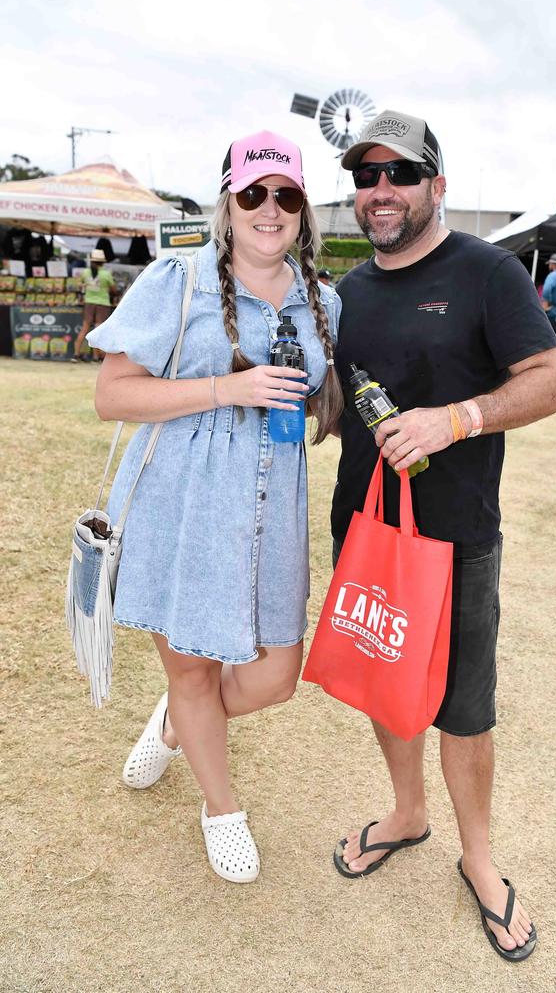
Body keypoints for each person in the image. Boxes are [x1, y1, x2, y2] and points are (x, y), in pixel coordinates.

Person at [329, 110, 556, 961]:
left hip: (457, 535)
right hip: (363, 527)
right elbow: (341, 403)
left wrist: (458, 419)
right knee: (384, 682)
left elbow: (552, 381)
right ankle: (407, 813)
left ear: (438, 186)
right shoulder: (348, 292)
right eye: (368, 177)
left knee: (465, 706)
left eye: (401, 174)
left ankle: (480, 859)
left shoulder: (488, 273)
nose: (382, 191)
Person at [86, 130, 343, 883]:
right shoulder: (178, 281)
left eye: (286, 196)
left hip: (272, 513)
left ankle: (173, 724)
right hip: (184, 507)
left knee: (273, 677)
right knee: (194, 669)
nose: (270, 209)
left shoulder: (322, 301)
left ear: (303, 211)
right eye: (254, 193)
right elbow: (112, 395)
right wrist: (226, 389)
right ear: (229, 202)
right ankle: (221, 807)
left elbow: (321, 398)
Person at [72, 249, 115, 362]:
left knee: (85, 328)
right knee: (98, 330)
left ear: (92, 261)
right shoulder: (106, 274)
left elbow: (79, 284)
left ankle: (76, 354)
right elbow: (113, 289)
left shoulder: (85, 272)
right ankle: (96, 357)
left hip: (89, 303)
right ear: (102, 262)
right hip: (103, 303)